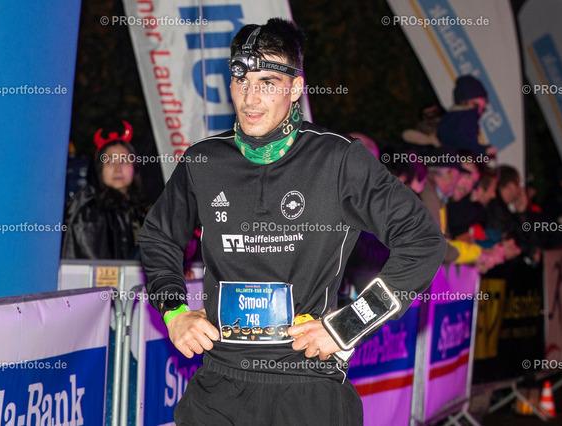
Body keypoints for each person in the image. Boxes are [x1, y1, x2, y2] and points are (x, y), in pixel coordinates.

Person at [139, 18, 446, 425]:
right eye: (241, 80)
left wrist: (348, 325)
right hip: (219, 386)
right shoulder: (204, 160)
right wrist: (174, 311)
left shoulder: (338, 159)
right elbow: (158, 236)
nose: (250, 97)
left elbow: (424, 241)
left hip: (308, 385)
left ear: (296, 87)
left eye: (267, 82)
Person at [61, 121, 149, 259]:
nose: (118, 168)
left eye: (124, 161)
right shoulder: (89, 211)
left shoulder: (138, 211)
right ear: (99, 169)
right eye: (110, 161)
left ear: (134, 167)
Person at [437, 75, 497, 157]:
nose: (480, 112)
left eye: (483, 109)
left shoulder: (447, 119)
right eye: (479, 106)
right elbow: (464, 145)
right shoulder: (468, 117)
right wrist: (483, 150)